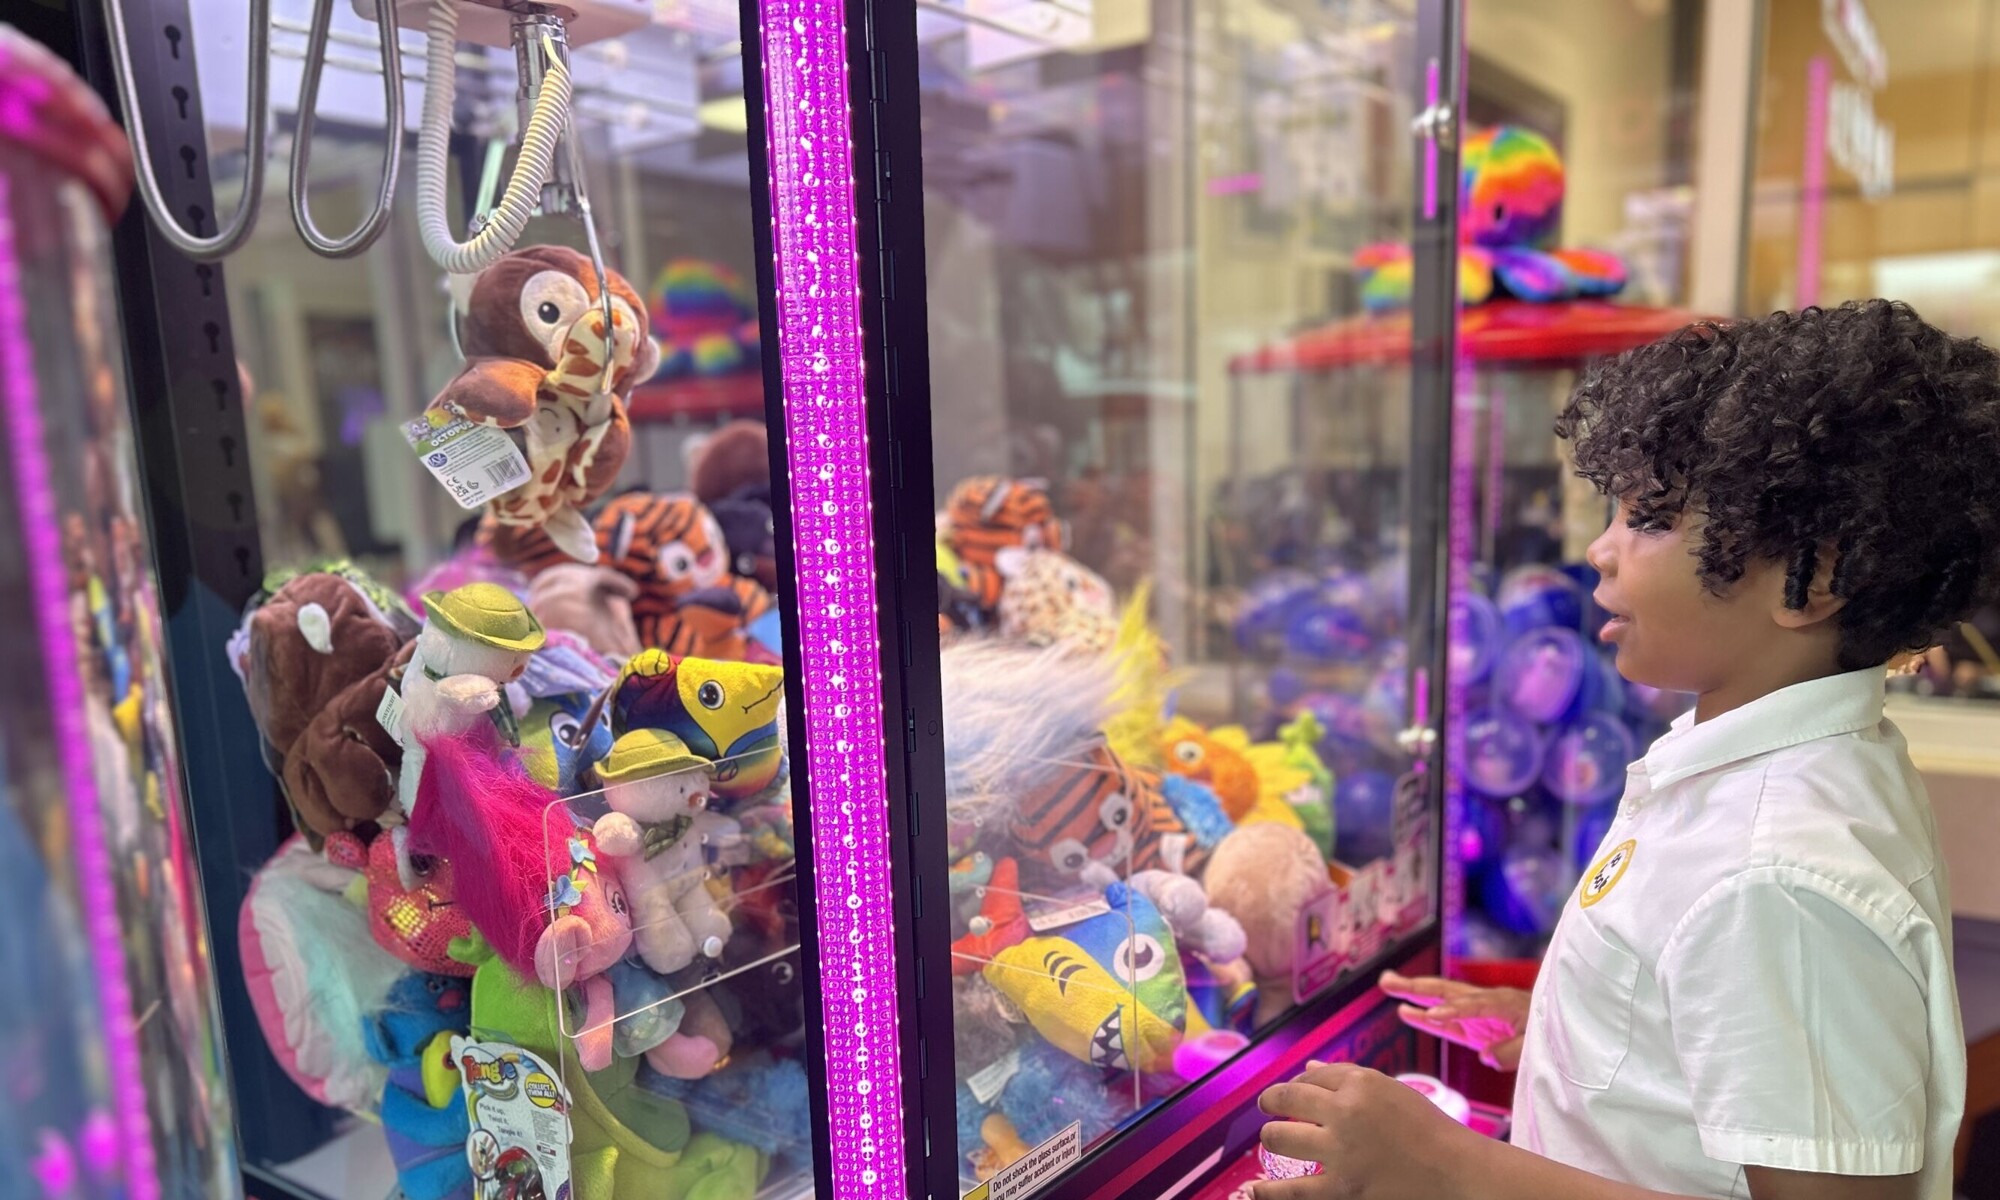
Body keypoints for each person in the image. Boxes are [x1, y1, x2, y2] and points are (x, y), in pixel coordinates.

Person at [1256, 300, 2000, 1200]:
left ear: (1813, 578)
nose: (1599, 550)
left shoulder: (1776, 873)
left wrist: (1443, 1165)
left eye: (1649, 518)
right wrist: (1588, 1027)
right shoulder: (1771, 773)